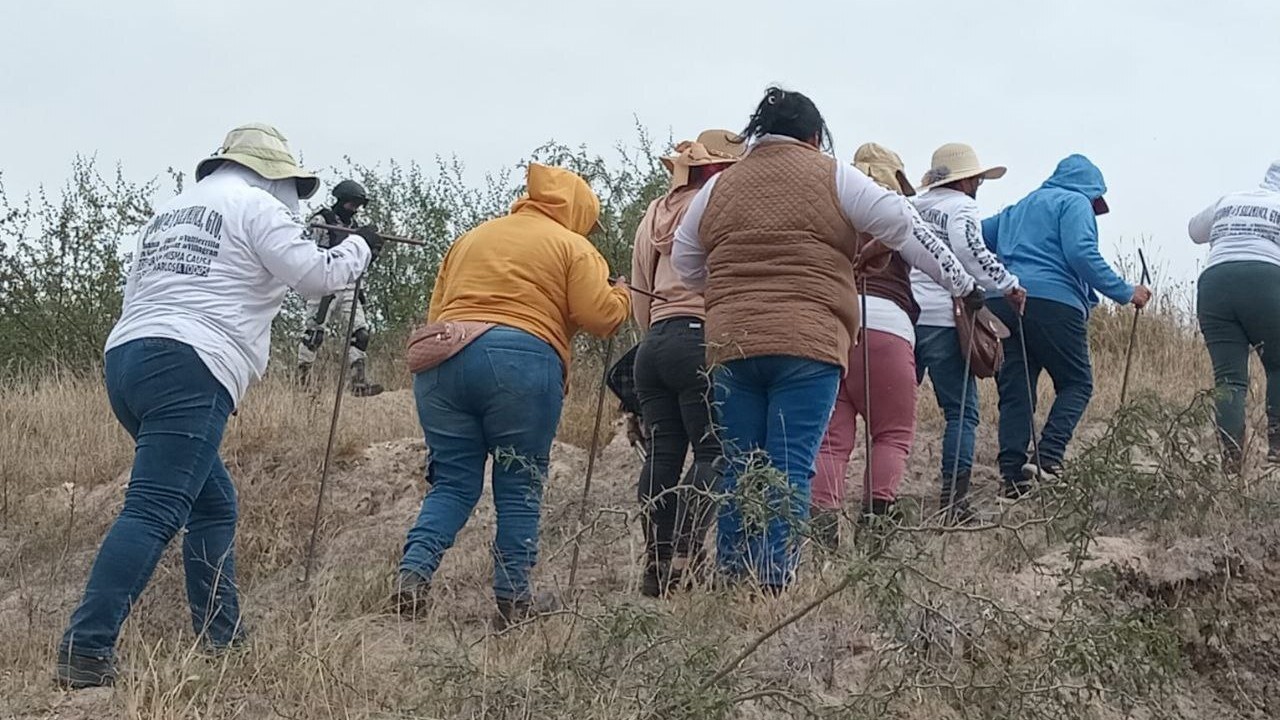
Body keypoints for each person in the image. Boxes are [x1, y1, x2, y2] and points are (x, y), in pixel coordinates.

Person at [56, 124, 381, 689]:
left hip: (128, 359)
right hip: (191, 363)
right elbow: (317, 277)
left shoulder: (170, 214)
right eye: (291, 186)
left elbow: (139, 295)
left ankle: (222, 637)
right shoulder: (256, 206)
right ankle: (86, 650)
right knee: (154, 509)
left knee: (213, 504)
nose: (294, 200)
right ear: (270, 174)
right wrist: (360, 247)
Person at [672, 87, 972, 591]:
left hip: (733, 344)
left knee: (740, 463)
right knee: (790, 465)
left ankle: (731, 572)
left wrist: (734, 291)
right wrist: (962, 285)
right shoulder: (834, 174)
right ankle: (772, 578)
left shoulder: (717, 188)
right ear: (814, 136)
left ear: (756, 136)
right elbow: (903, 224)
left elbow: (686, 262)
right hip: (807, 343)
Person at [395, 164, 630, 627]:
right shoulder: (573, 246)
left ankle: (413, 573)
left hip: (445, 358)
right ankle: (513, 599)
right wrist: (620, 294)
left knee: (454, 484)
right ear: (578, 210)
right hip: (522, 363)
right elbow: (600, 317)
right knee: (519, 485)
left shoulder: (472, 238)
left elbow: (437, 310)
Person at [810, 143, 980, 546]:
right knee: (891, 434)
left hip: (836, 329)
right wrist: (967, 289)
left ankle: (823, 532)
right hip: (887, 327)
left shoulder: (835, 214)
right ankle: (875, 529)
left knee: (832, 441)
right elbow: (933, 253)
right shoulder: (893, 209)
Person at [983, 154, 1151, 498]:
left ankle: (1012, 476)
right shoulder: (1075, 203)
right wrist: (1125, 291)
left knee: (1017, 389)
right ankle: (1048, 458)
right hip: (1053, 303)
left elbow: (975, 236)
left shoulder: (1019, 207)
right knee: (1077, 383)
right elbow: (1080, 253)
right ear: (1093, 190)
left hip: (1005, 300)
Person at [630, 129, 743, 597]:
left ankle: (656, 564)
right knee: (714, 452)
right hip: (700, 338)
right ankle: (686, 553)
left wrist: (653, 333)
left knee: (662, 455)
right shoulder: (719, 210)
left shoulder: (653, 214)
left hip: (654, 342)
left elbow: (640, 287)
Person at [911, 143, 1026, 520]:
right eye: (976, 178)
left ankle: (877, 500)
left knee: (891, 415)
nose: (978, 183)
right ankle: (954, 502)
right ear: (967, 180)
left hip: (907, 317)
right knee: (961, 412)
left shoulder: (914, 205)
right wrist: (1008, 284)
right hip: (945, 317)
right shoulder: (961, 207)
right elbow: (970, 248)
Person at [1189, 160, 1280, 473]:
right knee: (1278, 366)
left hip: (1215, 283)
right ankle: (1277, 452)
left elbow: (1194, 231)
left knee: (1229, 380)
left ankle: (1230, 460)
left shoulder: (1229, 199)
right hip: (1267, 280)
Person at [296, 179, 384, 396]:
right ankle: (303, 384)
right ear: (341, 200)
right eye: (351, 204)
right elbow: (308, 252)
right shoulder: (321, 220)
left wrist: (371, 252)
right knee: (314, 335)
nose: (354, 209)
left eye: (357, 205)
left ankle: (358, 382)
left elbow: (359, 263)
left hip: (349, 287)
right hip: (325, 284)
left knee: (361, 334)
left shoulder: (356, 229)